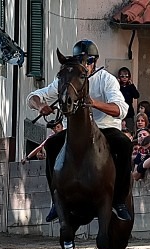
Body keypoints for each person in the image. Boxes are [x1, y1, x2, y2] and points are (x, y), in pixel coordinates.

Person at [27, 39, 133, 222]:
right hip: (75, 132)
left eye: (89, 61)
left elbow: (121, 110)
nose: (86, 64)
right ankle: (56, 201)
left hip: (105, 128)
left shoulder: (106, 79)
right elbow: (34, 96)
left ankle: (119, 200)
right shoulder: (68, 77)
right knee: (52, 144)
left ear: (95, 62)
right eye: (81, 60)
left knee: (124, 144)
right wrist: (40, 106)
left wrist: (94, 103)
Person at [117, 67, 140, 133]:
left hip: (129, 112)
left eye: (126, 76)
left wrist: (132, 85)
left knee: (130, 130)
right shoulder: (118, 87)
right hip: (119, 111)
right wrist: (117, 84)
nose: (124, 78)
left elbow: (136, 96)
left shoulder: (130, 87)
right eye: (122, 76)